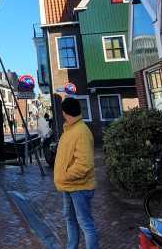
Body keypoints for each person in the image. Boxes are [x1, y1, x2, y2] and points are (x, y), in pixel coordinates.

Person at [54, 97, 98, 249]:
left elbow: (84, 164)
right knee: (70, 219)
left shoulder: (81, 132)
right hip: (69, 187)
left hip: (79, 187)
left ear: (65, 113)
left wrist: (64, 176)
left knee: (85, 223)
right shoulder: (70, 130)